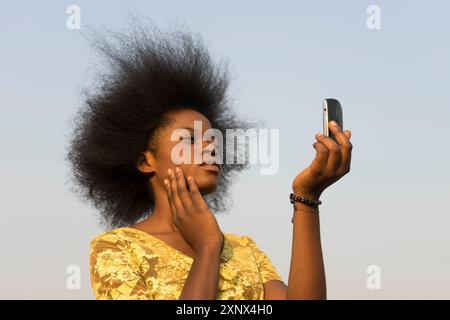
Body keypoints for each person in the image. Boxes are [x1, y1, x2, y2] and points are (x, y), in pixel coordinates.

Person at [66, 22, 352, 300]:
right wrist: (206, 246)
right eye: (189, 139)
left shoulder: (244, 249)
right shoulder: (117, 248)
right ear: (145, 160)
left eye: (212, 137)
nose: (210, 145)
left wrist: (307, 197)